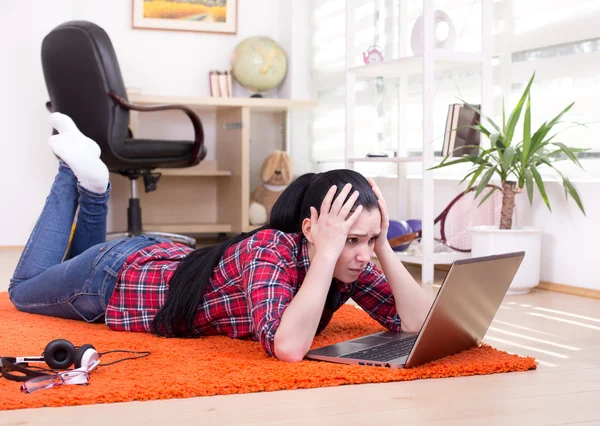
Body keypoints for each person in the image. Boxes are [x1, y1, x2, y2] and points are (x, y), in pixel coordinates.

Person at [9, 113, 432, 362]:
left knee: (72, 262)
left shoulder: (349, 262)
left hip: (155, 255)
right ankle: (73, 174)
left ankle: (96, 188)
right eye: (350, 240)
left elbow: (418, 324)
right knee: (21, 290)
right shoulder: (270, 252)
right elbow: (287, 347)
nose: (360, 254)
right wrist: (328, 252)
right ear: (310, 230)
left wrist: (380, 246)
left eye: (368, 240)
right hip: (118, 279)